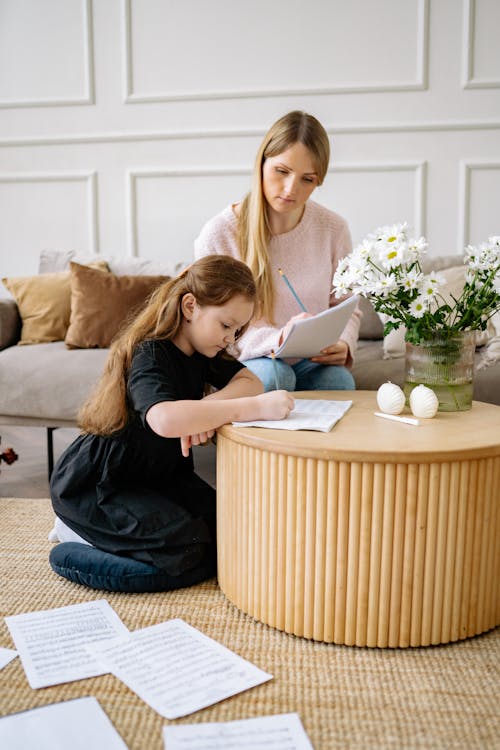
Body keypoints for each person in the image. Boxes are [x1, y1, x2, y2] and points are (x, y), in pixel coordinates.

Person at [48, 255, 294, 593]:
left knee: (230, 532)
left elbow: (250, 381)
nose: (231, 338)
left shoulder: (203, 350)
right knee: (188, 556)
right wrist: (249, 409)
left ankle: (114, 540)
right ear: (190, 307)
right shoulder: (151, 353)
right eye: (226, 325)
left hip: (159, 476)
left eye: (238, 330)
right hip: (105, 484)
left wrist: (205, 408)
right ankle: (73, 544)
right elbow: (163, 419)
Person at [194, 110, 361, 392]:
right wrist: (277, 340)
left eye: (307, 179)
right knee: (275, 376)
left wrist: (344, 343)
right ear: (261, 163)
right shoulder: (220, 233)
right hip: (246, 358)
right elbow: (211, 322)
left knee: (339, 382)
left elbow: (347, 305)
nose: (290, 189)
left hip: (310, 359)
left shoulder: (333, 229)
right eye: (281, 171)